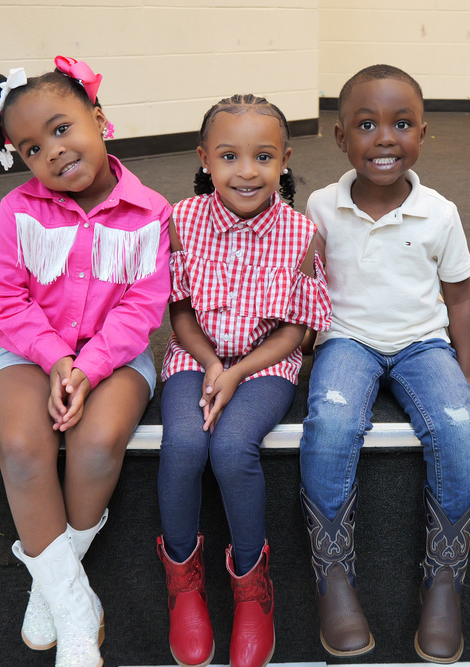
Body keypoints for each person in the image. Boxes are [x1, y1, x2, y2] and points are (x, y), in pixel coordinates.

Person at [298, 64, 470, 664]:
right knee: (332, 425)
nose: (384, 138)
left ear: (423, 132)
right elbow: (303, 284)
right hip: (346, 341)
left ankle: (444, 579)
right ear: (341, 138)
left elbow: (461, 298)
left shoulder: (440, 213)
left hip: (424, 344)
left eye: (401, 124)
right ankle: (332, 576)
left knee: (458, 429)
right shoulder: (320, 205)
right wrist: (298, 351)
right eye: (366, 125)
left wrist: (466, 376)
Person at [0, 56, 171, 667]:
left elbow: (143, 308)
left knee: (95, 442)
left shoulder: (151, 213)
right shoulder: (17, 211)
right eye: (32, 148)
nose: (53, 153)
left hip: (117, 358)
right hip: (29, 351)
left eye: (62, 129)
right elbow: (2, 298)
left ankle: (48, 585)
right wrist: (58, 358)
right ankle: (72, 606)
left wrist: (88, 368)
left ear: (99, 117)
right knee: (21, 445)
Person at [155, 94, 331, 667]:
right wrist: (211, 364)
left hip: (265, 364)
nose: (247, 171)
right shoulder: (180, 219)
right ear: (205, 158)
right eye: (229, 156)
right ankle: (184, 585)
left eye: (263, 157)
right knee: (182, 444)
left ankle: (253, 590)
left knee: (232, 448)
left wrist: (238, 372)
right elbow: (179, 312)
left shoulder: (302, 234)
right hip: (194, 356)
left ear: (285, 159)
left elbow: (295, 332)